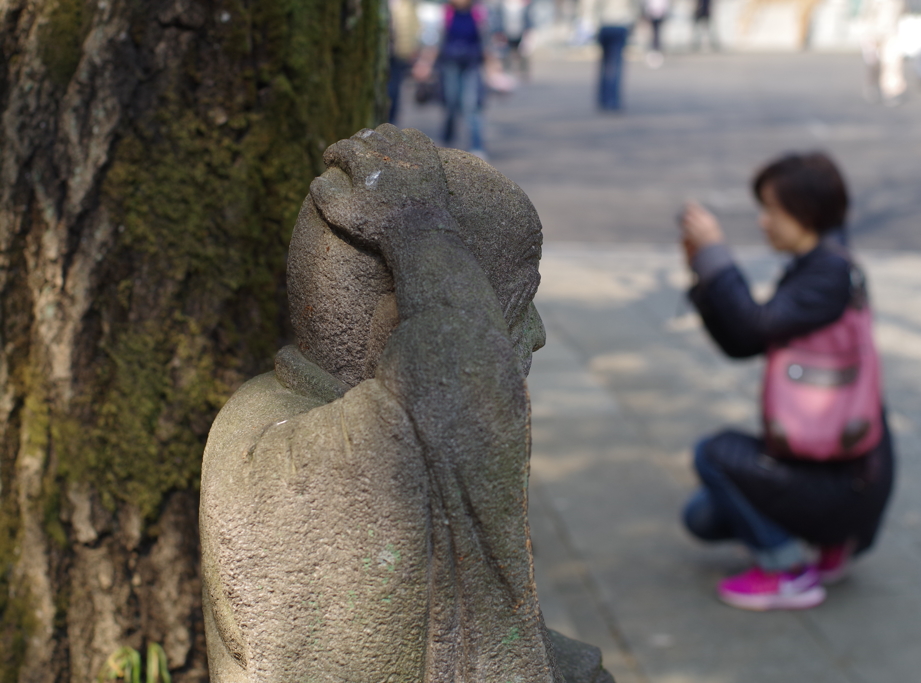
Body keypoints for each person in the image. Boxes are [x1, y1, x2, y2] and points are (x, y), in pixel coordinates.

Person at [201, 125, 615, 682]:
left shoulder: (363, 420)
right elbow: (461, 375)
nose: (536, 334)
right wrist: (420, 232)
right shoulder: (285, 454)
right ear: (409, 311)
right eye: (507, 308)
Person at [678, 152, 895, 611]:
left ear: (805, 212)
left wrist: (717, 253)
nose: (763, 222)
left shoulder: (828, 271)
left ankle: (788, 570)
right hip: (846, 474)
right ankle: (829, 547)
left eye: (771, 210)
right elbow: (742, 341)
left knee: (711, 457)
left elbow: (755, 325)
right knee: (703, 517)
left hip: (847, 483)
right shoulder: (821, 264)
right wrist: (703, 270)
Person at [413, 0, 495, 158]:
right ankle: (447, 140)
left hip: (471, 64)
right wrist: (425, 64)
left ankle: (476, 144)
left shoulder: (479, 13)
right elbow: (435, 41)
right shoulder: (445, 13)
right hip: (450, 64)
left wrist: (493, 69)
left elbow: (486, 42)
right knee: (451, 103)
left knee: (471, 105)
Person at [581, 0, 641, 111]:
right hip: (621, 24)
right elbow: (635, 6)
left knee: (604, 62)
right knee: (616, 64)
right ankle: (612, 99)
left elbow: (592, 5)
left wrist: (593, 21)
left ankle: (603, 98)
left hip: (604, 24)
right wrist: (632, 21)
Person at [388, 0, 421, 124]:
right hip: (388, 51)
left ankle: (391, 121)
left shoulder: (407, 5)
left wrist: (412, 49)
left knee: (394, 89)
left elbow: (413, 27)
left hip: (398, 53)